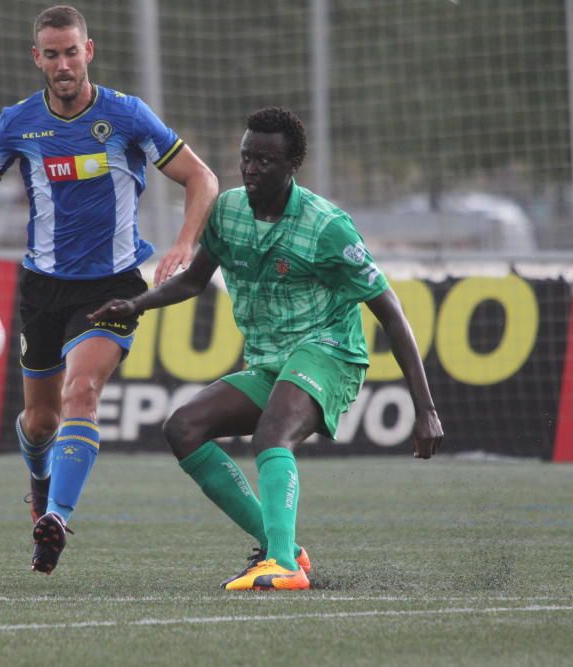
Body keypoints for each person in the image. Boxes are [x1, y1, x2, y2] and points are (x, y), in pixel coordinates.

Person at [0, 5, 218, 575]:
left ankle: (58, 519)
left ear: (88, 51)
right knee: (39, 422)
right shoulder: (17, 122)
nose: (64, 64)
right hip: (43, 287)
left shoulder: (127, 116)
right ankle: (41, 491)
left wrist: (185, 244)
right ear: (37, 58)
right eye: (52, 54)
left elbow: (202, 177)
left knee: (83, 393)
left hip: (113, 285)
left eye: (72, 52)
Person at [89, 107, 443, 591]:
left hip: (330, 353)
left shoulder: (327, 227)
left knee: (273, 433)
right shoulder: (229, 210)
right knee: (184, 428)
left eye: (265, 161)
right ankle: (284, 548)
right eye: (246, 157)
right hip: (271, 361)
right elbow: (193, 282)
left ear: (292, 165)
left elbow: (391, 312)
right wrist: (137, 304)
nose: (251, 169)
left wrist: (425, 408)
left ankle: (281, 566)